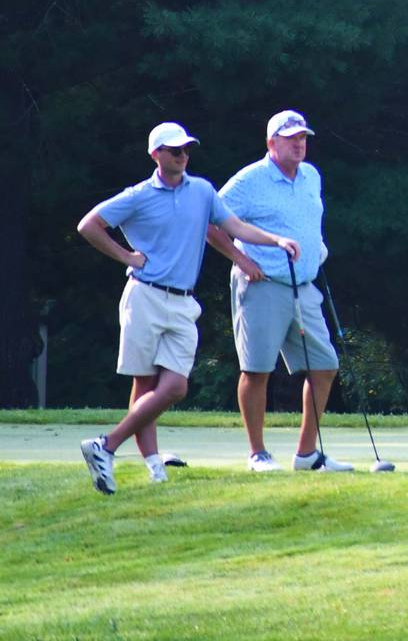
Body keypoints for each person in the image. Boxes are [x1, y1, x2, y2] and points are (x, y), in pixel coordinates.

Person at [74, 121, 302, 496]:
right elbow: (89, 225)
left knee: (175, 386)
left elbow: (236, 227)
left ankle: (106, 445)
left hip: (183, 301)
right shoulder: (138, 196)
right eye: (174, 150)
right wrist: (126, 256)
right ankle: (154, 467)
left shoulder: (202, 191)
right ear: (156, 155)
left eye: (186, 150)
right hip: (145, 295)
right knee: (145, 384)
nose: (182, 156)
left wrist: (276, 240)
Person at [207, 108, 353, 474]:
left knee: (325, 366)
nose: (299, 145)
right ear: (271, 143)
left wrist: (317, 248)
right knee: (257, 370)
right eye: (291, 139)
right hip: (262, 286)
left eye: (303, 138)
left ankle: (306, 455)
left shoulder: (311, 176)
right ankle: (257, 453)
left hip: (304, 287)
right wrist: (241, 260)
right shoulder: (249, 180)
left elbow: (307, 223)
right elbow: (211, 223)